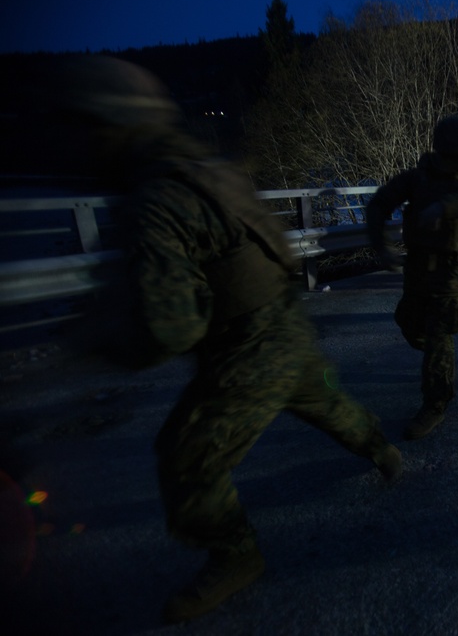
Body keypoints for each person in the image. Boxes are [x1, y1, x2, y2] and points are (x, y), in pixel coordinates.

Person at [45, 55, 403, 624]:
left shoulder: (156, 198)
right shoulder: (213, 171)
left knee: (187, 457)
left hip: (246, 344)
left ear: (110, 128)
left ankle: (236, 555)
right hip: (283, 321)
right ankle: (382, 450)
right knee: (325, 400)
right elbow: (276, 248)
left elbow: (169, 327)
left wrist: (99, 343)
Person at [365, 115, 458, 440]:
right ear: (447, 150)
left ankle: (436, 400)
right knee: (409, 323)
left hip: (449, 274)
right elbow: (379, 203)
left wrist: (443, 208)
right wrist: (381, 246)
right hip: (417, 268)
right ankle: (439, 365)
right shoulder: (417, 179)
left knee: (439, 337)